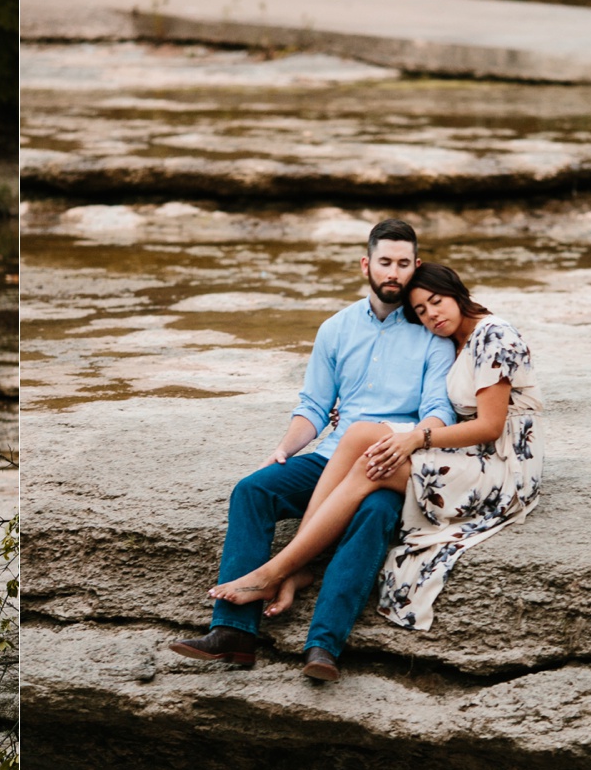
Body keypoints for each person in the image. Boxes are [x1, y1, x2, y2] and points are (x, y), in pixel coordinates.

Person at [168, 219, 456, 681]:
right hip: (332, 457)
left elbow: (438, 409)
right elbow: (316, 406)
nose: (394, 273)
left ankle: (323, 645)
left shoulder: (432, 333)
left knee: (376, 515)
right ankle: (235, 634)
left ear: (415, 266)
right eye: (385, 262)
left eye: (404, 264)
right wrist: (283, 448)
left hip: (391, 463)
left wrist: (409, 442)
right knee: (253, 490)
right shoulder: (336, 329)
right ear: (366, 264)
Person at [210, 262, 543, 644]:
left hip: (503, 467)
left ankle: (279, 571)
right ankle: (294, 565)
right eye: (420, 310)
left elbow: (490, 427)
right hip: (473, 454)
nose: (431, 315)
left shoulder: (492, 335)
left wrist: (417, 439)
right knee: (359, 434)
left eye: (436, 302)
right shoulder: (457, 337)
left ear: (458, 293)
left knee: (372, 469)